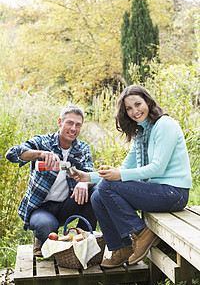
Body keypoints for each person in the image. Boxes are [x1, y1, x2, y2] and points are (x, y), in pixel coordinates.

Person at [70, 85, 192, 268]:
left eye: (138, 104)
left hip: (174, 193)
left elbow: (157, 168)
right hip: (158, 192)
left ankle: (141, 233)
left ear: (148, 102)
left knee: (106, 187)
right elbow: (126, 167)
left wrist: (118, 175)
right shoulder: (142, 133)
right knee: (97, 195)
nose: (135, 111)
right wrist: (88, 177)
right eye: (129, 108)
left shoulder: (164, 125)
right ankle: (122, 248)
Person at [5, 105, 97, 257]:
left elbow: (89, 173)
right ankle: (41, 239)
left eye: (78, 125)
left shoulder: (82, 148)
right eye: (69, 123)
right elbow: (12, 154)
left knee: (95, 193)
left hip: (67, 204)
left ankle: (81, 241)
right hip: (41, 208)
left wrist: (83, 182)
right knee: (47, 227)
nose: (73, 128)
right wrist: (40, 154)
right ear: (60, 122)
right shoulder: (43, 142)